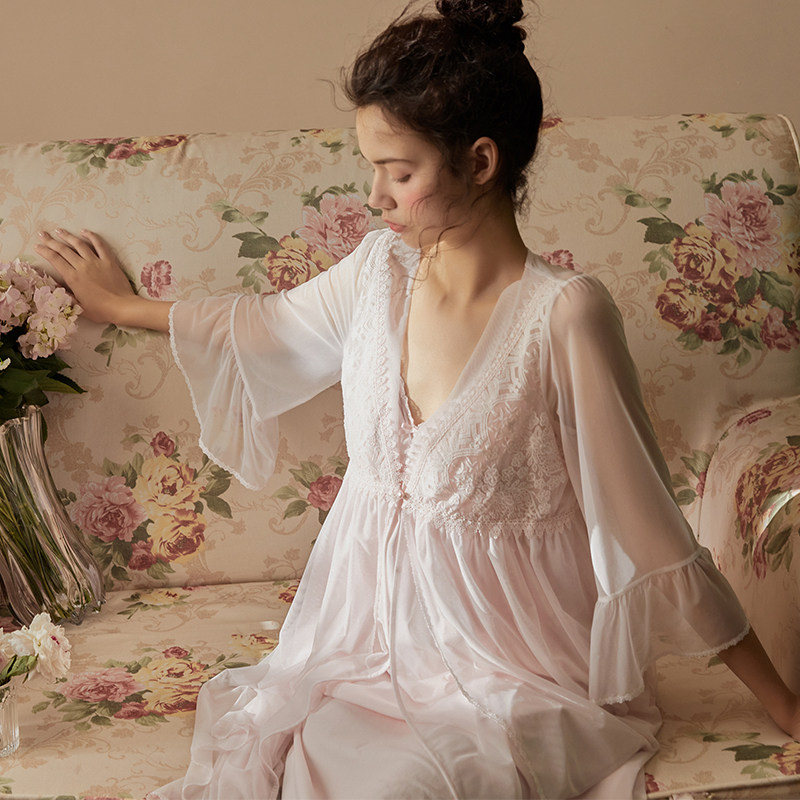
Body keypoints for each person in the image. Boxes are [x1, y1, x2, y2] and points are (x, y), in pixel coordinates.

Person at [35, 1, 799, 797]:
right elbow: (268, 328)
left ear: (480, 162)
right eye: (372, 168)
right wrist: (122, 307)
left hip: (509, 669)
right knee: (287, 761)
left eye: (399, 173)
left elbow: (649, 529)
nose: (375, 196)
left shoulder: (563, 316)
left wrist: (780, 701)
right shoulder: (377, 273)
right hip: (360, 650)